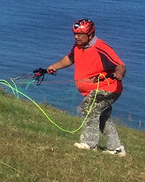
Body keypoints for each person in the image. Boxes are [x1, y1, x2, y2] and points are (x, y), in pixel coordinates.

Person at [44, 19, 126, 156]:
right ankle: (116, 149)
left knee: (88, 108)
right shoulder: (78, 47)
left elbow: (119, 65)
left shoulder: (101, 48)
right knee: (102, 117)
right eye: (75, 33)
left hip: (109, 88)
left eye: (80, 34)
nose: (76, 37)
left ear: (90, 34)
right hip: (95, 89)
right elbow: (69, 59)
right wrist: (54, 66)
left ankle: (89, 144)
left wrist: (119, 73)